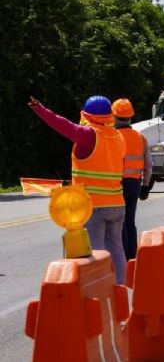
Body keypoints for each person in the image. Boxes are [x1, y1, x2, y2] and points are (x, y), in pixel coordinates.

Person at [28, 95, 127, 284]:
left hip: (93, 206)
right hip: (117, 204)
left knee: (95, 254)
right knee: (116, 249)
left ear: (86, 115)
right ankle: (119, 289)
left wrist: (41, 110)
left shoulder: (88, 135)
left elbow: (63, 125)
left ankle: (100, 294)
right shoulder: (118, 136)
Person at [112, 98, 153, 261]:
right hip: (135, 184)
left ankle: (123, 257)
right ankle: (133, 256)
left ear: (114, 117)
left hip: (118, 185)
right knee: (130, 220)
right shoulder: (140, 137)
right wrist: (145, 186)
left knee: (119, 223)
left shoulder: (114, 137)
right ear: (131, 116)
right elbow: (149, 164)